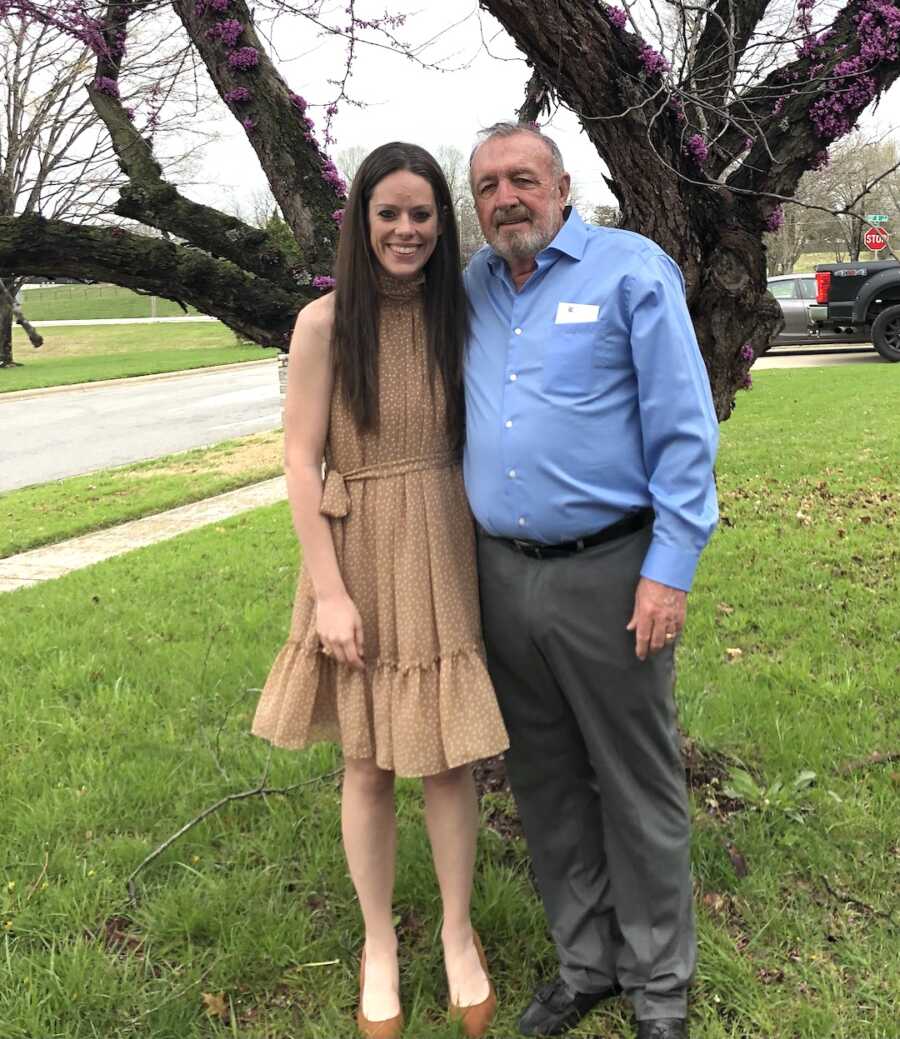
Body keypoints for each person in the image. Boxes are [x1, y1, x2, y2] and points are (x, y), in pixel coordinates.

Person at [463, 122, 719, 1039]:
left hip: (614, 572)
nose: (506, 199)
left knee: (636, 780)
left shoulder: (629, 270)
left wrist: (670, 568)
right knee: (545, 780)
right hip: (501, 574)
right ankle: (588, 962)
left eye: (522, 179)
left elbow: (685, 431)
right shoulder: (475, 288)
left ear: (562, 186)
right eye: (487, 185)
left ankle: (660, 989)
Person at [252, 142, 508, 1039]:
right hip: (357, 547)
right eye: (390, 213)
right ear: (361, 221)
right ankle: (377, 944)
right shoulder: (324, 322)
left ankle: (457, 931)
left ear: (445, 222)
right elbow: (297, 457)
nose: (407, 230)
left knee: (445, 754)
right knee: (365, 759)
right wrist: (327, 593)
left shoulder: (461, 314)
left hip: (443, 537)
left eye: (423, 213)